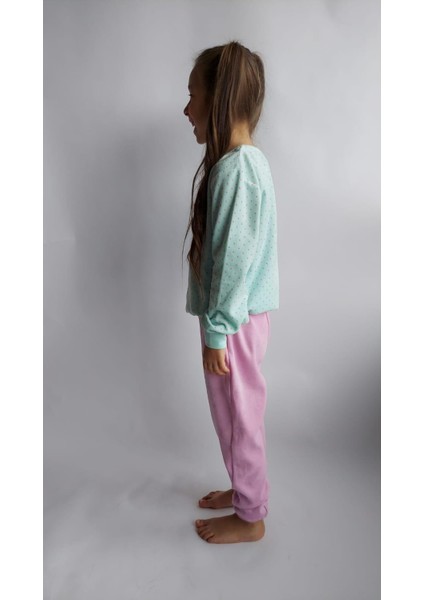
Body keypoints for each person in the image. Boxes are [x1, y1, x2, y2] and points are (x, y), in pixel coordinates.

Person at [182, 41, 279, 544]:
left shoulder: (237, 170)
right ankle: (244, 492)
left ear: (217, 99)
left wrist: (217, 332)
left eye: (193, 95)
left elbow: (236, 262)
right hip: (235, 317)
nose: (187, 109)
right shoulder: (240, 165)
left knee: (240, 417)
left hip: (233, 321)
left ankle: (251, 516)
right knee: (232, 415)